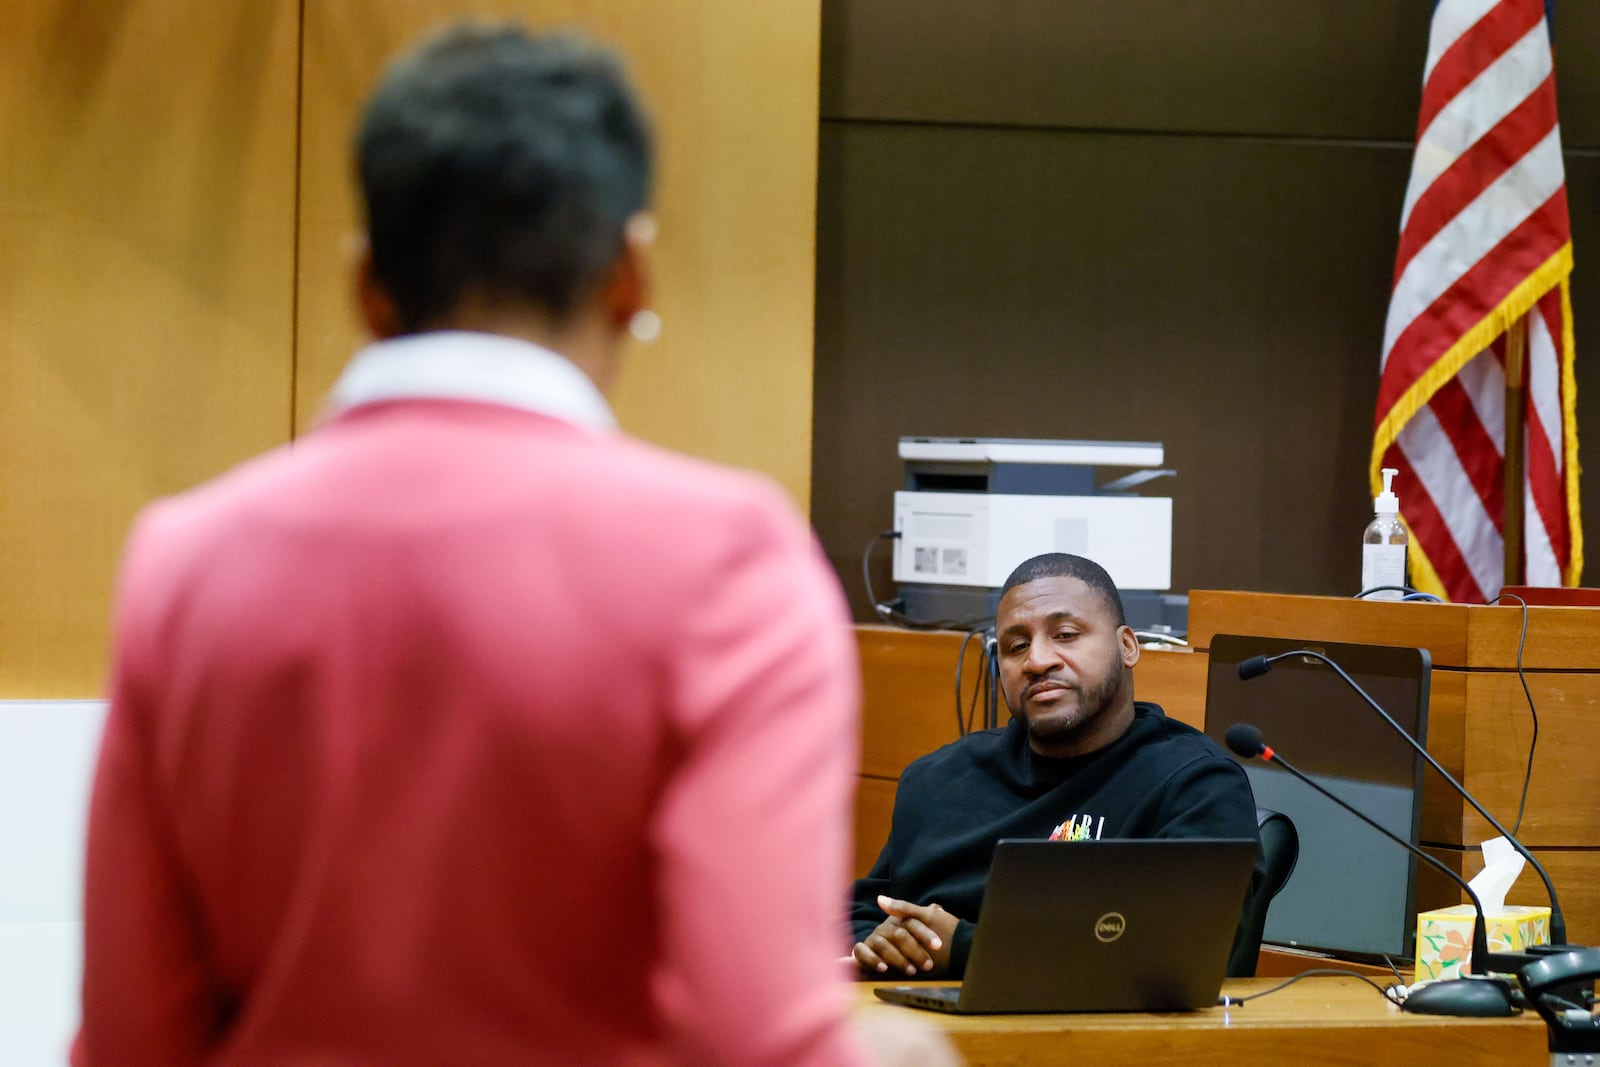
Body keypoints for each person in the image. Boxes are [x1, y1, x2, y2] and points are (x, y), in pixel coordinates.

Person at [74, 22, 953, 1067]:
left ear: (367, 285)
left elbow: (132, 1036)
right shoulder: (728, 560)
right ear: (630, 274)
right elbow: (756, 1035)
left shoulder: (186, 561)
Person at [850, 552, 1265, 980]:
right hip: (911, 1029)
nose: (1037, 661)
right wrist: (877, 945)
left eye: (1065, 635)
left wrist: (963, 950)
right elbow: (858, 915)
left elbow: (1178, 956)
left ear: (1127, 646)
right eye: (1016, 646)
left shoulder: (1194, 784)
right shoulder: (939, 778)